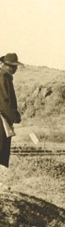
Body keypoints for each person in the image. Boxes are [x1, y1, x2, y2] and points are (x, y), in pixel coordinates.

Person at [0, 53, 21, 181]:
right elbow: (4, 101)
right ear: (8, 66)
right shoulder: (2, 77)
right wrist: (15, 116)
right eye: (14, 66)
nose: (16, 69)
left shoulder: (5, 77)